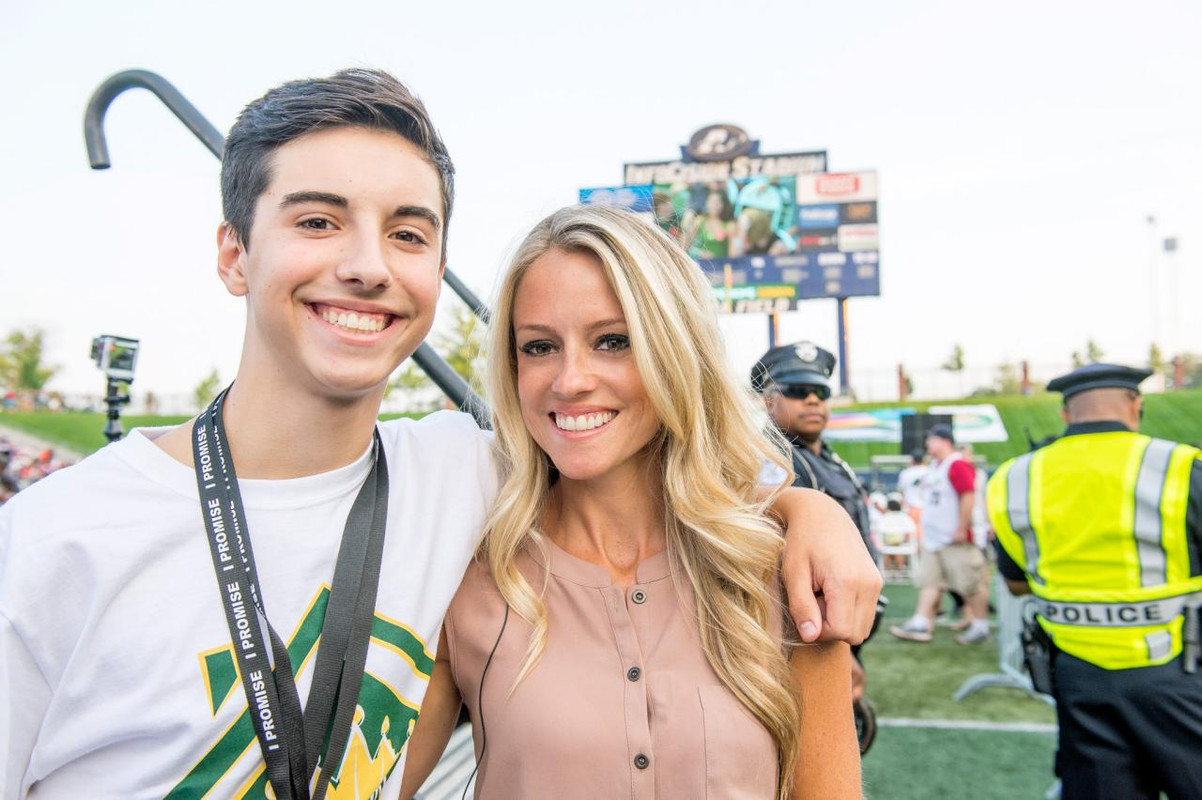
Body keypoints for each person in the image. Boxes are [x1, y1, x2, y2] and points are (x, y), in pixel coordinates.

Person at [0, 71, 881, 798]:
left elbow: (681, 463)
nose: (367, 265)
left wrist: (809, 510)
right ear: (234, 253)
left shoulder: (459, 474)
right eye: (317, 220)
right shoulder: (48, 548)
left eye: (408, 233)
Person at [400, 206, 862, 799]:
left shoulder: (784, 571)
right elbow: (366, 782)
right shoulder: (468, 577)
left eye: (613, 341)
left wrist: (811, 508)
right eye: (539, 347)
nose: (570, 380)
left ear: (676, 351)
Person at [988, 363, 1202, 799]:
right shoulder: (1179, 466)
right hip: (1179, 670)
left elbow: (1015, 583)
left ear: (1067, 413)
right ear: (1135, 406)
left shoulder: (1015, 478)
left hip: (1076, 676)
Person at [751, 342, 875, 561]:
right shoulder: (765, 459)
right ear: (769, 401)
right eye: (798, 391)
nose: (813, 399)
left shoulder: (828, 458)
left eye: (821, 392)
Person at [889, 423, 991, 645]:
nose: (927, 444)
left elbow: (968, 496)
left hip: (954, 538)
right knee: (930, 582)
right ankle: (921, 622)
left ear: (944, 441)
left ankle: (980, 624)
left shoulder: (957, 465)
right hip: (935, 538)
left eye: (931, 439)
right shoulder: (936, 466)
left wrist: (961, 528)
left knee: (970, 584)